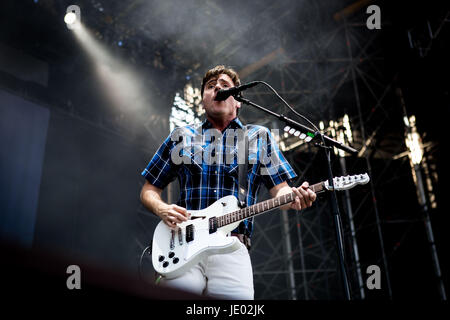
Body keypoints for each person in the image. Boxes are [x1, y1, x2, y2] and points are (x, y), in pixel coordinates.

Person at [140, 65, 317, 300]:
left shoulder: (258, 137)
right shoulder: (181, 137)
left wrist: (294, 197)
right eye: (211, 87)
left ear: (238, 101)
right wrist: (162, 208)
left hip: (232, 247)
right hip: (182, 246)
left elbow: (281, 193)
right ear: (203, 100)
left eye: (225, 86)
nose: (217, 89)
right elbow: (149, 190)